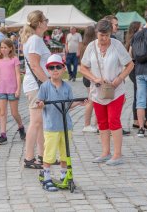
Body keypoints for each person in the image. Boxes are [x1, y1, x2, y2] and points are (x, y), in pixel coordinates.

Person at [80, 19, 134, 166]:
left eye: (105, 35)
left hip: (115, 91)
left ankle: (117, 154)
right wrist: (94, 78)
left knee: (113, 120)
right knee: (102, 122)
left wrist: (119, 78)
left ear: (110, 33)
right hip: (98, 92)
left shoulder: (117, 46)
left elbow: (130, 64)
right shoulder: (91, 47)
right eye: (100, 35)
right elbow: (83, 68)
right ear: (96, 33)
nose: (102, 38)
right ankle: (105, 152)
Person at [37, 54, 85, 192]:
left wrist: (80, 102)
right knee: (50, 153)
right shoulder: (45, 87)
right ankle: (46, 177)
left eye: (58, 67)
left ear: (63, 69)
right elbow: (39, 102)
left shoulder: (67, 87)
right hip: (51, 126)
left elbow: (69, 104)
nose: (55, 70)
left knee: (65, 153)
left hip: (66, 126)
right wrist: (40, 104)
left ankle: (64, 175)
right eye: (51, 68)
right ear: (48, 70)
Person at [21, 10, 51, 169]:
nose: (47, 22)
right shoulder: (35, 40)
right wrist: (49, 83)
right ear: (39, 23)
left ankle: (43, 155)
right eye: (45, 20)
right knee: (36, 122)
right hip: (36, 86)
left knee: (40, 122)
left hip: (35, 84)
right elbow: (34, 65)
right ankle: (29, 158)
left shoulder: (35, 39)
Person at [0, 38, 25, 145]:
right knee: (2, 113)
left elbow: (17, 75)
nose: (3, 49)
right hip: (1, 89)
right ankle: (3, 134)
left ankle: (20, 127)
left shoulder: (14, 59)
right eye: (1, 47)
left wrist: (18, 89)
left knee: (14, 113)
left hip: (12, 89)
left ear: (11, 48)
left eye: (5, 47)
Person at [126, 21, 147, 131]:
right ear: (136, 29)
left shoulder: (132, 39)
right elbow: (131, 56)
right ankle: (142, 120)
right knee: (142, 96)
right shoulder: (136, 39)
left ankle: (138, 121)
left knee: (138, 95)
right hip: (137, 69)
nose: (143, 28)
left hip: (134, 70)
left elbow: (129, 55)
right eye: (141, 27)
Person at [81, 26, 98, 133]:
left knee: (93, 100)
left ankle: (94, 123)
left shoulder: (83, 45)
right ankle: (87, 124)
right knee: (92, 101)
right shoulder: (91, 46)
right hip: (90, 75)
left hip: (86, 76)